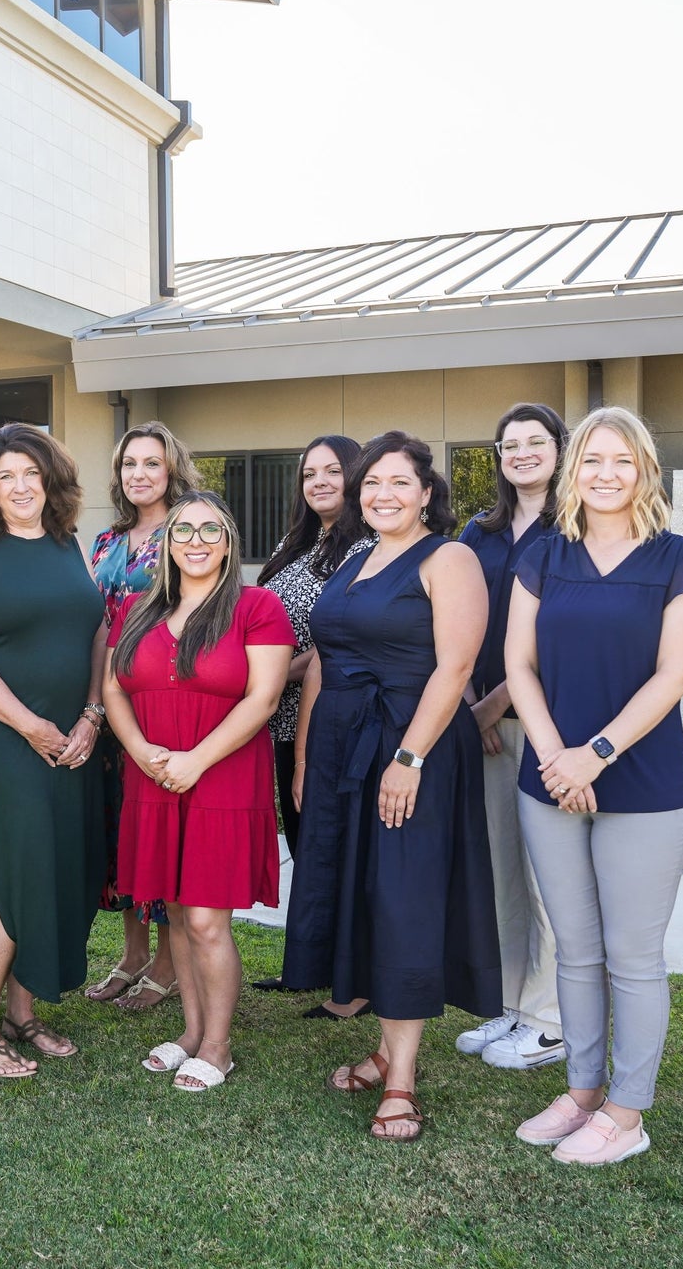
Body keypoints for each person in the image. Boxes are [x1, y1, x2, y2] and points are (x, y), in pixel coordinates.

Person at [503, 407, 683, 1166]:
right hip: (548, 781)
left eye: (622, 460)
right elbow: (519, 666)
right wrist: (556, 758)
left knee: (632, 955)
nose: (604, 473)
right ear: (573, 471)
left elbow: (674, 675)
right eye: (591, 459)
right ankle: (584, 1090)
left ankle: (628, 1113)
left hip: (644, 786)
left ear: (645, 471)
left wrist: (594, 753)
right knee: (575, 950)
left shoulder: (682, 558)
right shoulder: (544, 556)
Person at [286, 431, 501, 1140]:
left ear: (428, 494)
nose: (382, 494)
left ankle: (402, 1081)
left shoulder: (450, 557)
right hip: (344, 746)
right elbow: (321, 659)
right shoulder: (354, 556)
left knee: (404, 899)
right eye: (371, 483)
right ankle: (383, 1050)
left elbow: (455, 666)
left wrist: (407, 759)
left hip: (416, 745)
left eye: (399, 483)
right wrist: (305, 759)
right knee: (363, 896)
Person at [104, 493, 293, 1090]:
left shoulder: (256, 607)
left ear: (229, 541)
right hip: (153, 773)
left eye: (211, 529)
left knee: (208, 918)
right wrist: (140, 751)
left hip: (222, 775)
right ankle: (188, 1031)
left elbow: (262, 699)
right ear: (166, 544)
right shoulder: (136, 607)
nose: (196, 540)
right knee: (179, 913)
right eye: (183, 530)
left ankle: (217, 1044)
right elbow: (113, 690)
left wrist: (195, 761)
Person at [0, 424, 106, 1079]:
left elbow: (98, 635)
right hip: (8, 741)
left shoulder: (71, 545)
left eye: (31, 474)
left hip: (74, 737)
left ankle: (23, 1011)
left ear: (50, 481)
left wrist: (92, 715)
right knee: (22, 875)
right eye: (6, 475)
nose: (19, 487)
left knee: (59, 868)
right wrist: (30, 725)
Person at [454, 404, 569, 1071]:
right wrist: (472, 701)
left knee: (547, 874)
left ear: (559, 448)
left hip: (548, 726)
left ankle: (551, 1018)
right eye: (509, 445)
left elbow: (562, 634)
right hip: (485, 726)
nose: (522, 453)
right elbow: (456, 621)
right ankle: (513, 1004)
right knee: (500, 870)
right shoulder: (480, 531)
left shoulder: (578, 527)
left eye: (535, 442)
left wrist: (494, 705)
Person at [84, 423, 199, 1011]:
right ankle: (131, 953)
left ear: (171, 469)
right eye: (130, 464)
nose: (140, 475)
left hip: (159, 700)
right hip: (107, 701)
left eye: (152, 464)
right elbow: (95, 619)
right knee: (120, 831)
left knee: (159, 832)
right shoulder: (106, 541)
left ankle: (166, 962)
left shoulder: (190, 532)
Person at [252, 434, 370, 1003]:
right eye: (309, 473)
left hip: (328, 716)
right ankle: (313, 959)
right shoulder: (297, 541)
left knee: (333, 843)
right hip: (278, 716)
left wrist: (272, 675)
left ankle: (352, 982)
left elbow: (334, 642)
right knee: (304, 840)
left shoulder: (367, 545)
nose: (320, 481)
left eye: (333, 470)